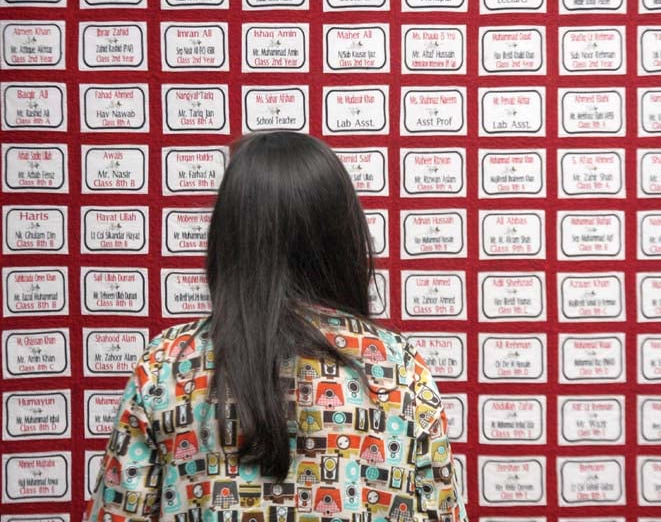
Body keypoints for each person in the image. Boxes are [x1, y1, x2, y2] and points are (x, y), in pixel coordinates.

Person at [83, 132, 467, 522]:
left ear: (228, 237)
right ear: (343, 238)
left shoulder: (165, 367)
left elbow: (116, 512)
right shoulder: (399, 369)